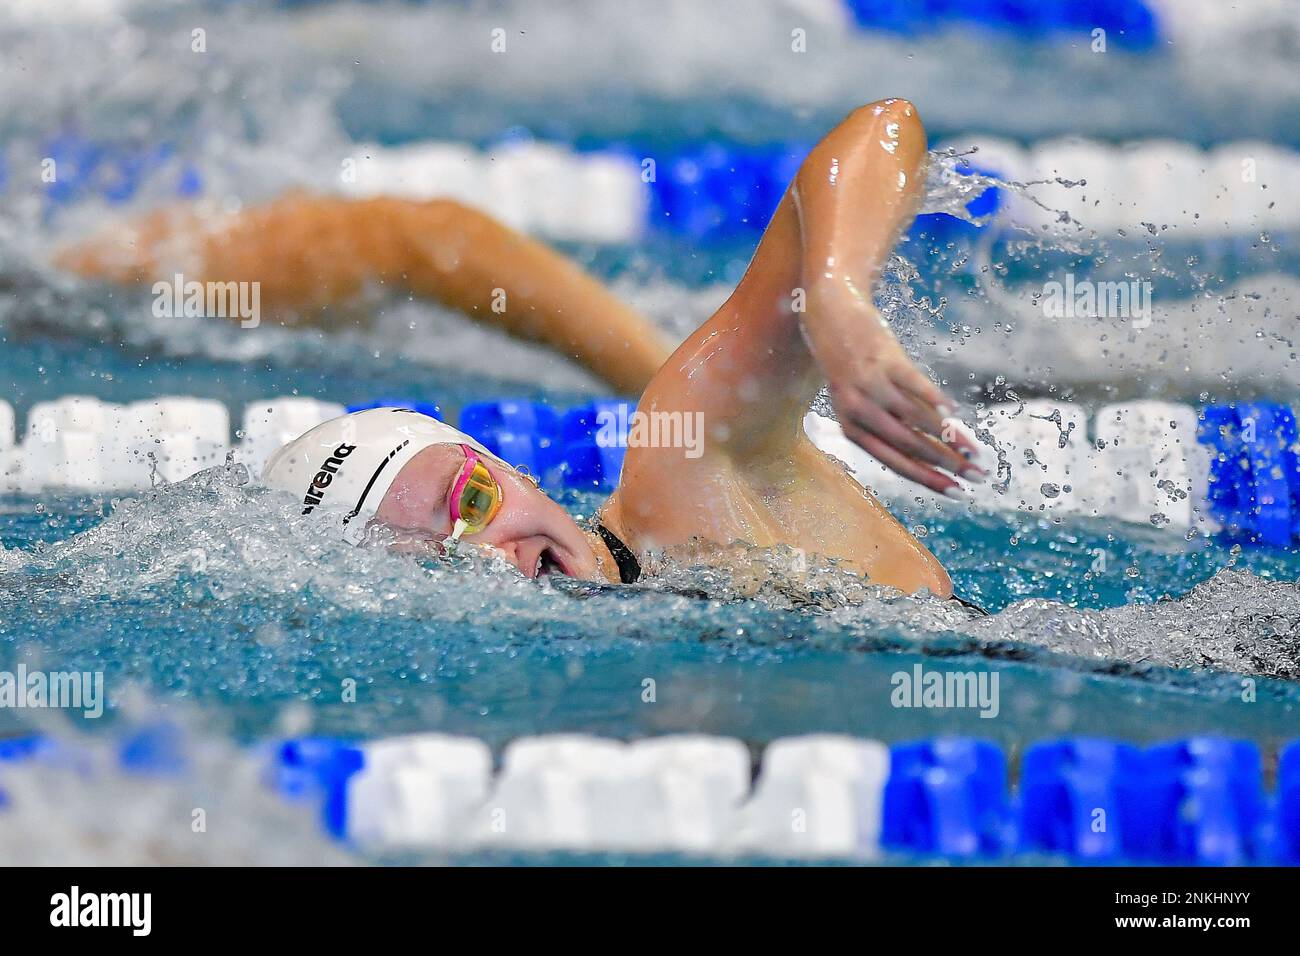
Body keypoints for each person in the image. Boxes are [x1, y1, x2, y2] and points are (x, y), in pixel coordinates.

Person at [65, 99, 985, 598]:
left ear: (506, 466)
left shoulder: (686, 471)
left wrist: (831, 293)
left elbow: (883, 128)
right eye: (431, 569)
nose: (491, 554)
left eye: (471, 501)